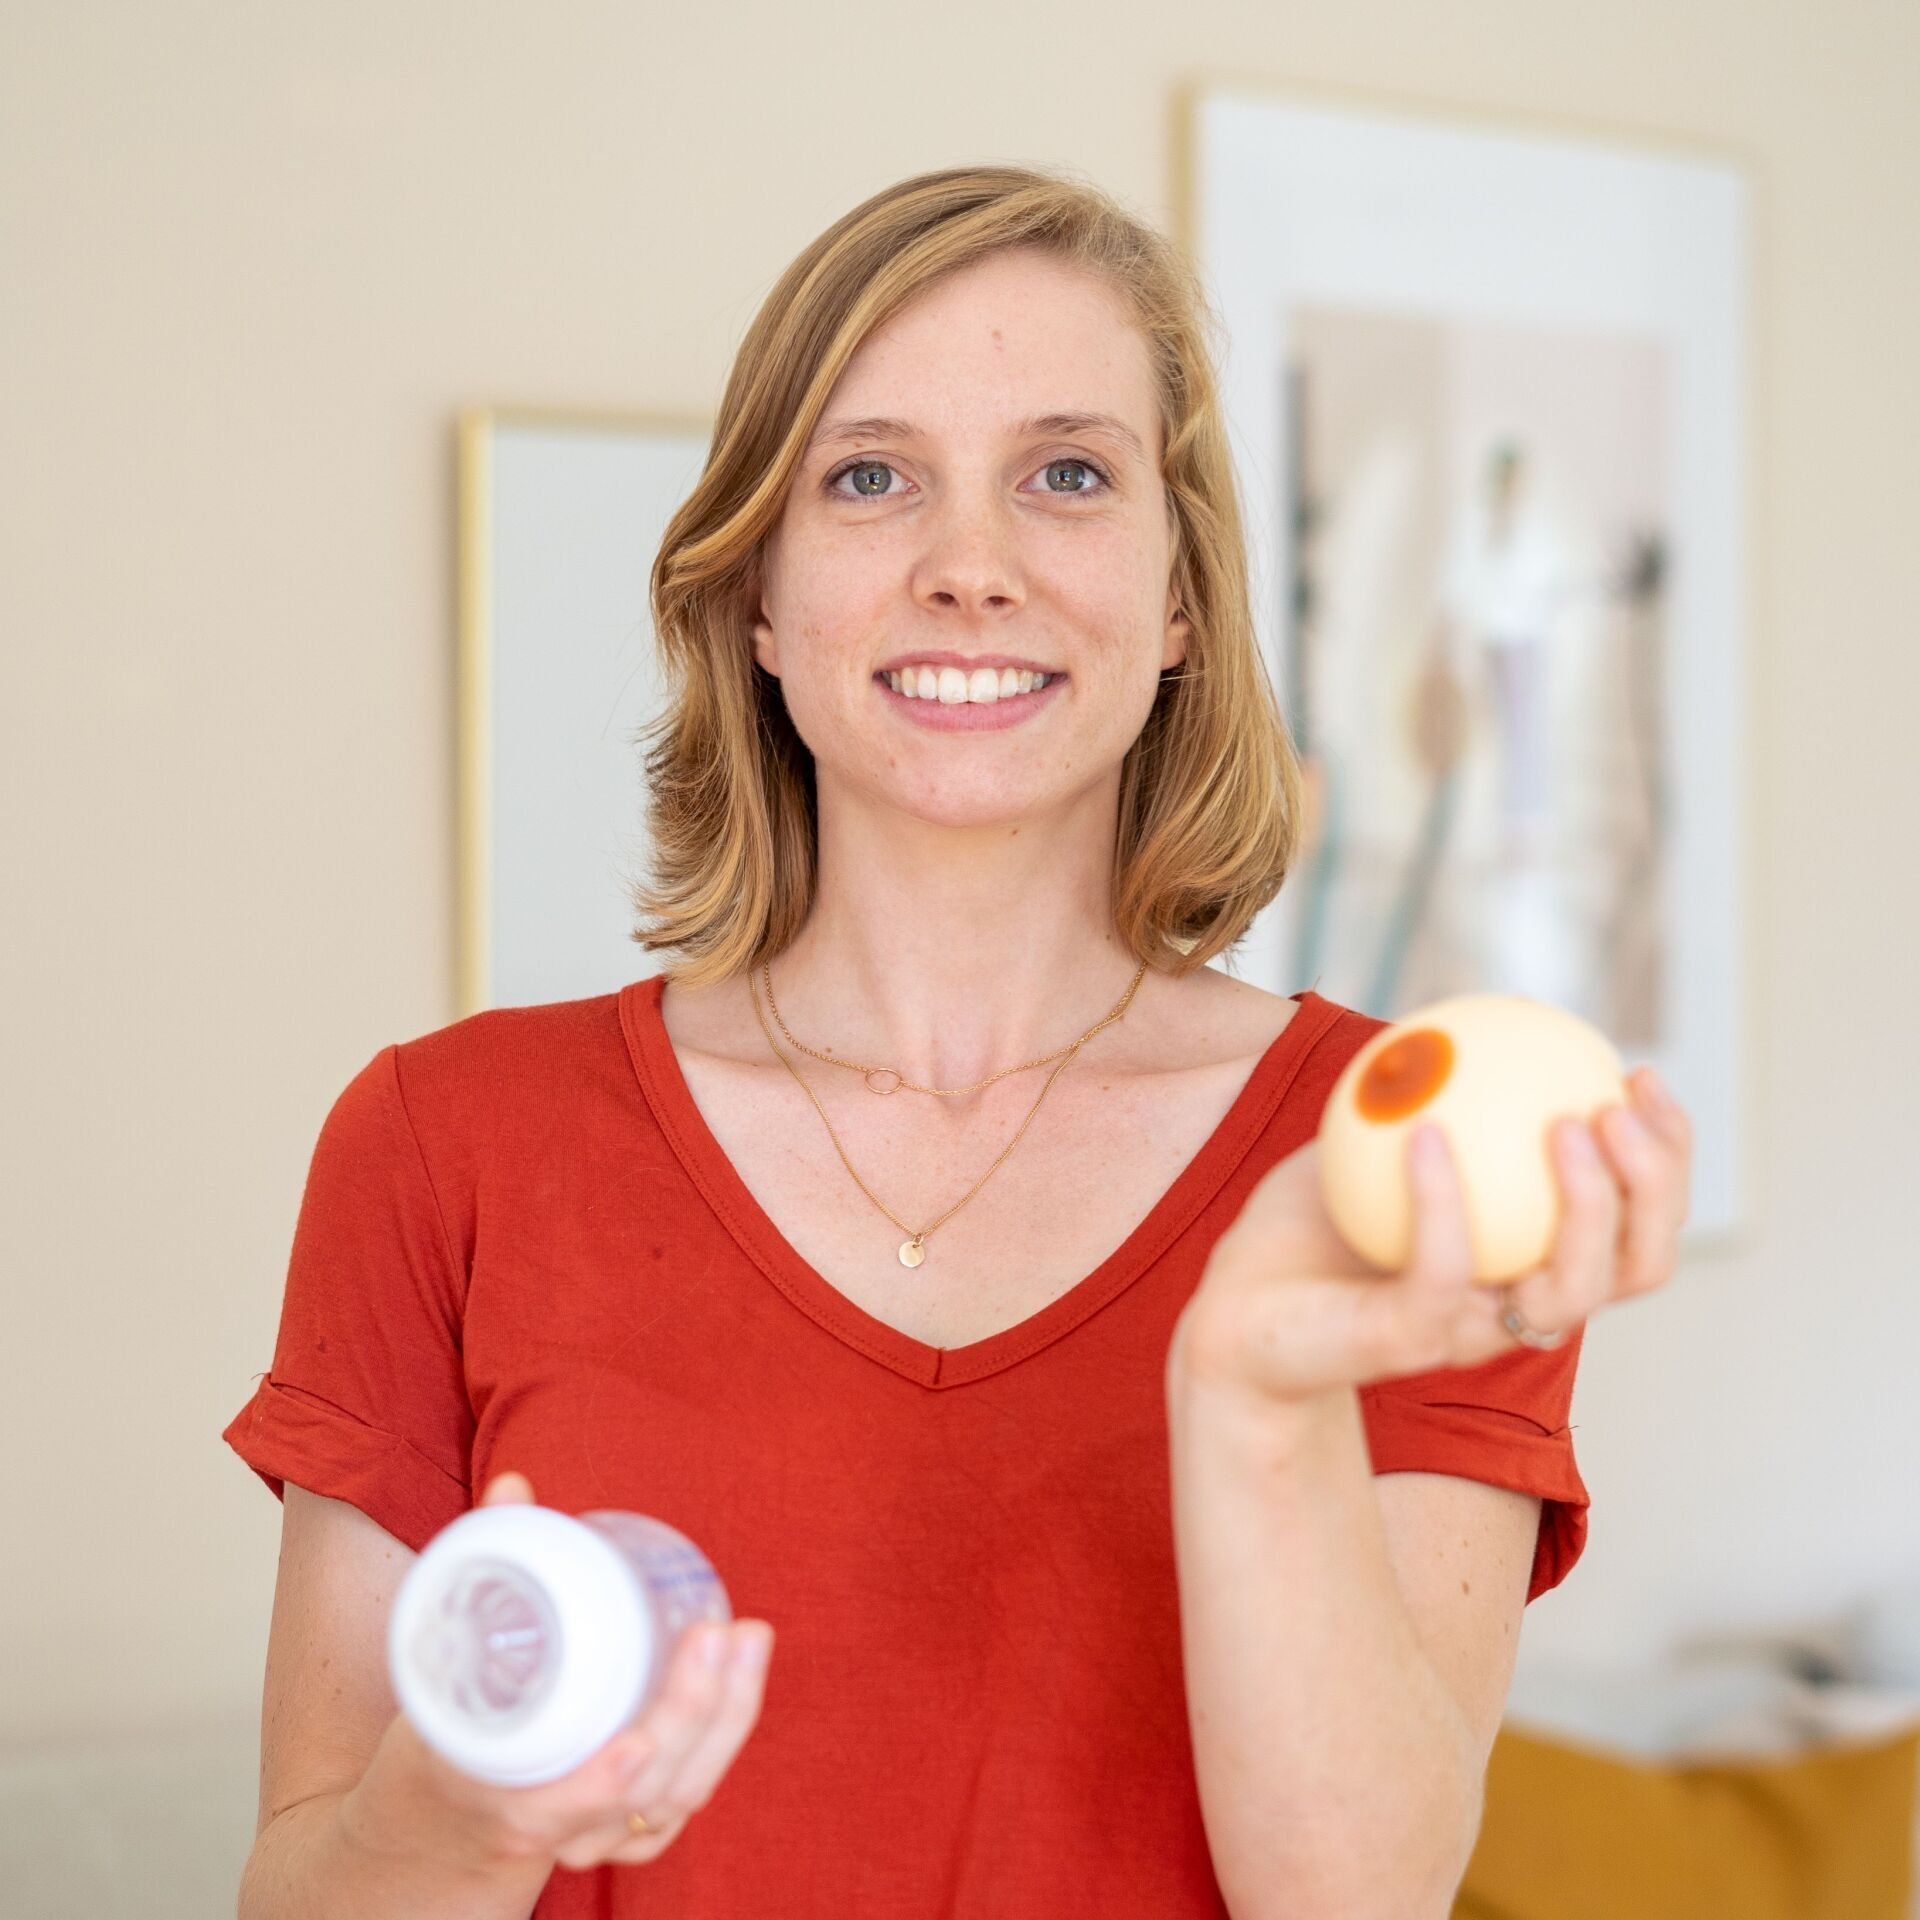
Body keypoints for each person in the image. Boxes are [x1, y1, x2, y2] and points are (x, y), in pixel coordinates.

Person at [223, 163, 1693, 1919]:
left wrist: (1253, 1391)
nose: (970, 569)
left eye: (1066, 474)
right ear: (759, 598)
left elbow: (1351, 1899)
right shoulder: (442, 1142)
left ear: (1179, 596)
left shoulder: (1394, 1164)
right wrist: (461, 1818)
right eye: (870, 476)